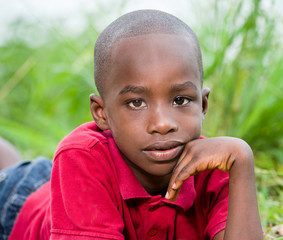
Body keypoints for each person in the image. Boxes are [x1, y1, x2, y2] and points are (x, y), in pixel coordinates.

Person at [0, 9, 263, 240]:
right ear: (101, 113)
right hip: (17, 204)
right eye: (137, 103)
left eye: (180, 99)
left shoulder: (219, 165)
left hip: (68, 191)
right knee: (11, 169)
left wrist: (242, 160)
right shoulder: (80, 155)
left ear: (203, 105)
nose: (162, 124)